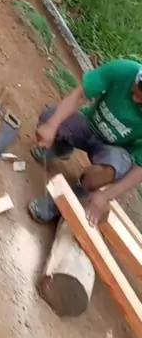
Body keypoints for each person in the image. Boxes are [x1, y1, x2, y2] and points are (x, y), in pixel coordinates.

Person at [28, 59, 142, 227]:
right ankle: (62, 147)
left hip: (113, 150)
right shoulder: (125, 70)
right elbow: (81, 94)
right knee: (50, 116)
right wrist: (51, 125)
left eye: (141, 100)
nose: (134, 98)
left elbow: (140, 169)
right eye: (135, 90)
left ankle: (69, 198)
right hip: (89, 124)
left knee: (110, 169)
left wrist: (106, 196)